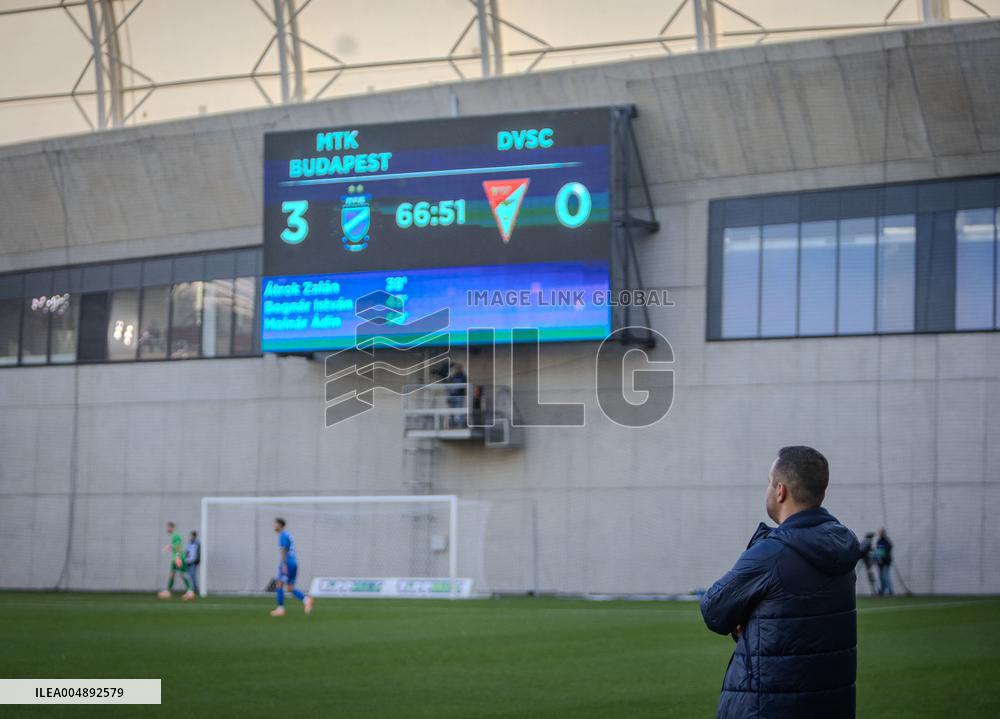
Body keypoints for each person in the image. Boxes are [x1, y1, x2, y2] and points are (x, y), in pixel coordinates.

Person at [700, 446, 860, 718]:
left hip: (768, 707)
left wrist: (744, 619)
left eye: (768, 482)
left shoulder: (771, 554)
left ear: (780, 491)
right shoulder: (841, 547)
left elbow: (713, 610)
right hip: (831, 705)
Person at [270, 518, 314, 617]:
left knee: (279, 584)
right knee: (289, 588)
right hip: (294, 563)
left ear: (280, 525)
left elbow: (284, 550)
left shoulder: (283, 535)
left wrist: (284, 565)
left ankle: (280, 609)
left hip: (287, 563)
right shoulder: (287, 534)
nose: (274, 526)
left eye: (275, 524)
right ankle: (307, 600)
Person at [158, 521, 195, 600]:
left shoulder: (175, 535)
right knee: (173, 574)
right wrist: (170, 546)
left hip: (178, 558)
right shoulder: (174, 536)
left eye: (168, 527)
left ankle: (190, 592)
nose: (167, 529)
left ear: (172, 527)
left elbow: (178, 546)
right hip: (177, 558)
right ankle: (168, 592)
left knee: (182, 574)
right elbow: (176, 545)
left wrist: (178, 558)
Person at [875, 527, 894, 596]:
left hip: (886, 562)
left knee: (886, 577)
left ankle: (890, 591)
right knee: (881, 578)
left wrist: (882, 556)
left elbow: (886, 550)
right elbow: (878, 551)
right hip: (880, 562)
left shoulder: (886, 541)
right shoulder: (879, 541)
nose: (880, 534)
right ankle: (882, 591)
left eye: (881, 532)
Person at [185, 530, 201, 596]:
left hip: (193, 562)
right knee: (189, 576)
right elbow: (187, 552)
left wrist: (197, 560)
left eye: (191, 535)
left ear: (194, 536)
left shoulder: (197, 543)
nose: (190, 537)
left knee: (192, 575)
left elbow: (198, 553)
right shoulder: (189, 543)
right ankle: (190, 589)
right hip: (188, 562)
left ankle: (195, 589)